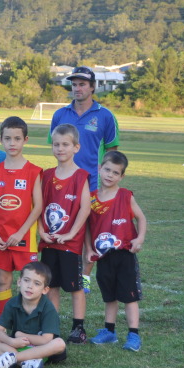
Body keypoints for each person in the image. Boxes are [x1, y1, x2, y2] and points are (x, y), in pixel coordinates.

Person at [49, 66, 119, 292]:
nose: (77, 88)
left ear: (92, 87)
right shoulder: (60, 114)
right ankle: (60, 273)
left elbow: (112, 152)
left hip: (92, 184)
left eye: (82, 84)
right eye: (74, 84)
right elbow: (56, 146)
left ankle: (85, 275)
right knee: (62, 225)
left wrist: (109, 183)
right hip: (64, 182)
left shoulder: (105, 115)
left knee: (92, 229)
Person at [86, 151, 147, 352]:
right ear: (99, 169)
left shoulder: (125, 196)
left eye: (115, 172)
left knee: (129, 297)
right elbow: (87, 226)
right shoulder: (92, 198)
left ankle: (133, 334)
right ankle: (109, 332)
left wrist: (139, 238)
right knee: (109, 296)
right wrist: (88, 249)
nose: (110, 175)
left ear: (122, 176)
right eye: (107, 170)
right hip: (103, 256)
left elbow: (141, 218)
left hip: (124, 254)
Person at [0, 116, 43, 322]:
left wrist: (20, 232)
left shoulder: (34, 171)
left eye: (17, 139)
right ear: (1, 139)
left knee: (30, 282)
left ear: (25, 140)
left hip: (24, 239)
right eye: (8, 138)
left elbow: (38, 206)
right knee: (2, 281)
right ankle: (2, 321)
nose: (12, 143)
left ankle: (28, 321)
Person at [39, 124, 91, 344]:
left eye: (65, 144)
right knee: (52, 286)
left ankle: (78, 327)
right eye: (56, 144)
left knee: (75, 286)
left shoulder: (80, 176)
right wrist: (41, 231)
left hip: (70, 244)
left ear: (76, 147)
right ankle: (53, 326)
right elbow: (38, 207)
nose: (60, 149)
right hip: (49, 242)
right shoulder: (47, 175)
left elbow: (85, 208)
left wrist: (70, 234)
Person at [0, 262, 67, 368]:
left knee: (59, 343)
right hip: (16, 347)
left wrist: (21, 335)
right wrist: (12, 341)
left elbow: (46, 340)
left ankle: (13, 359)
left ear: (45, 290)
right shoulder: (12, 303)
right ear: (19, 281)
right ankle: (27, 365)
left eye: (37, 283)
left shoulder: (48, 308)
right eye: (26, 280)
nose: (30, 286)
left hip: (40, 351)